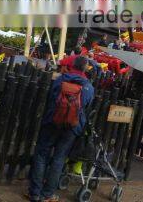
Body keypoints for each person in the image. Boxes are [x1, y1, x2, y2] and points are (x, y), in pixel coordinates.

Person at [27, 56, 94, 202]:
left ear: (72, 66)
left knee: (41, 155)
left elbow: (51, 97)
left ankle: (35, 193)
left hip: (52, 122)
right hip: (72, 127)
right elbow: (86, 107)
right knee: (59, 159)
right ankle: (48, 195)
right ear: (84, 68)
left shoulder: (60, 80)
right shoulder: (88, 86)